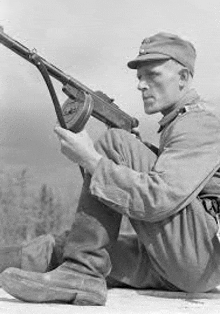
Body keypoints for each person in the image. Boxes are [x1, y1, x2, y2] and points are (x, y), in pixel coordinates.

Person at [1, 32, 220, 306]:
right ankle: (77, 267)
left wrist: (92, 160)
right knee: (70, 245)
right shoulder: (177, 123)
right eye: (139, 77)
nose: (141, 85)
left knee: (117, 143)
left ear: (184, 78)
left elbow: (160, 197)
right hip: (181, 260)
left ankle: (82, 273)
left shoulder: (199, 122)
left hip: (196, 256)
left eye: (152, 75)